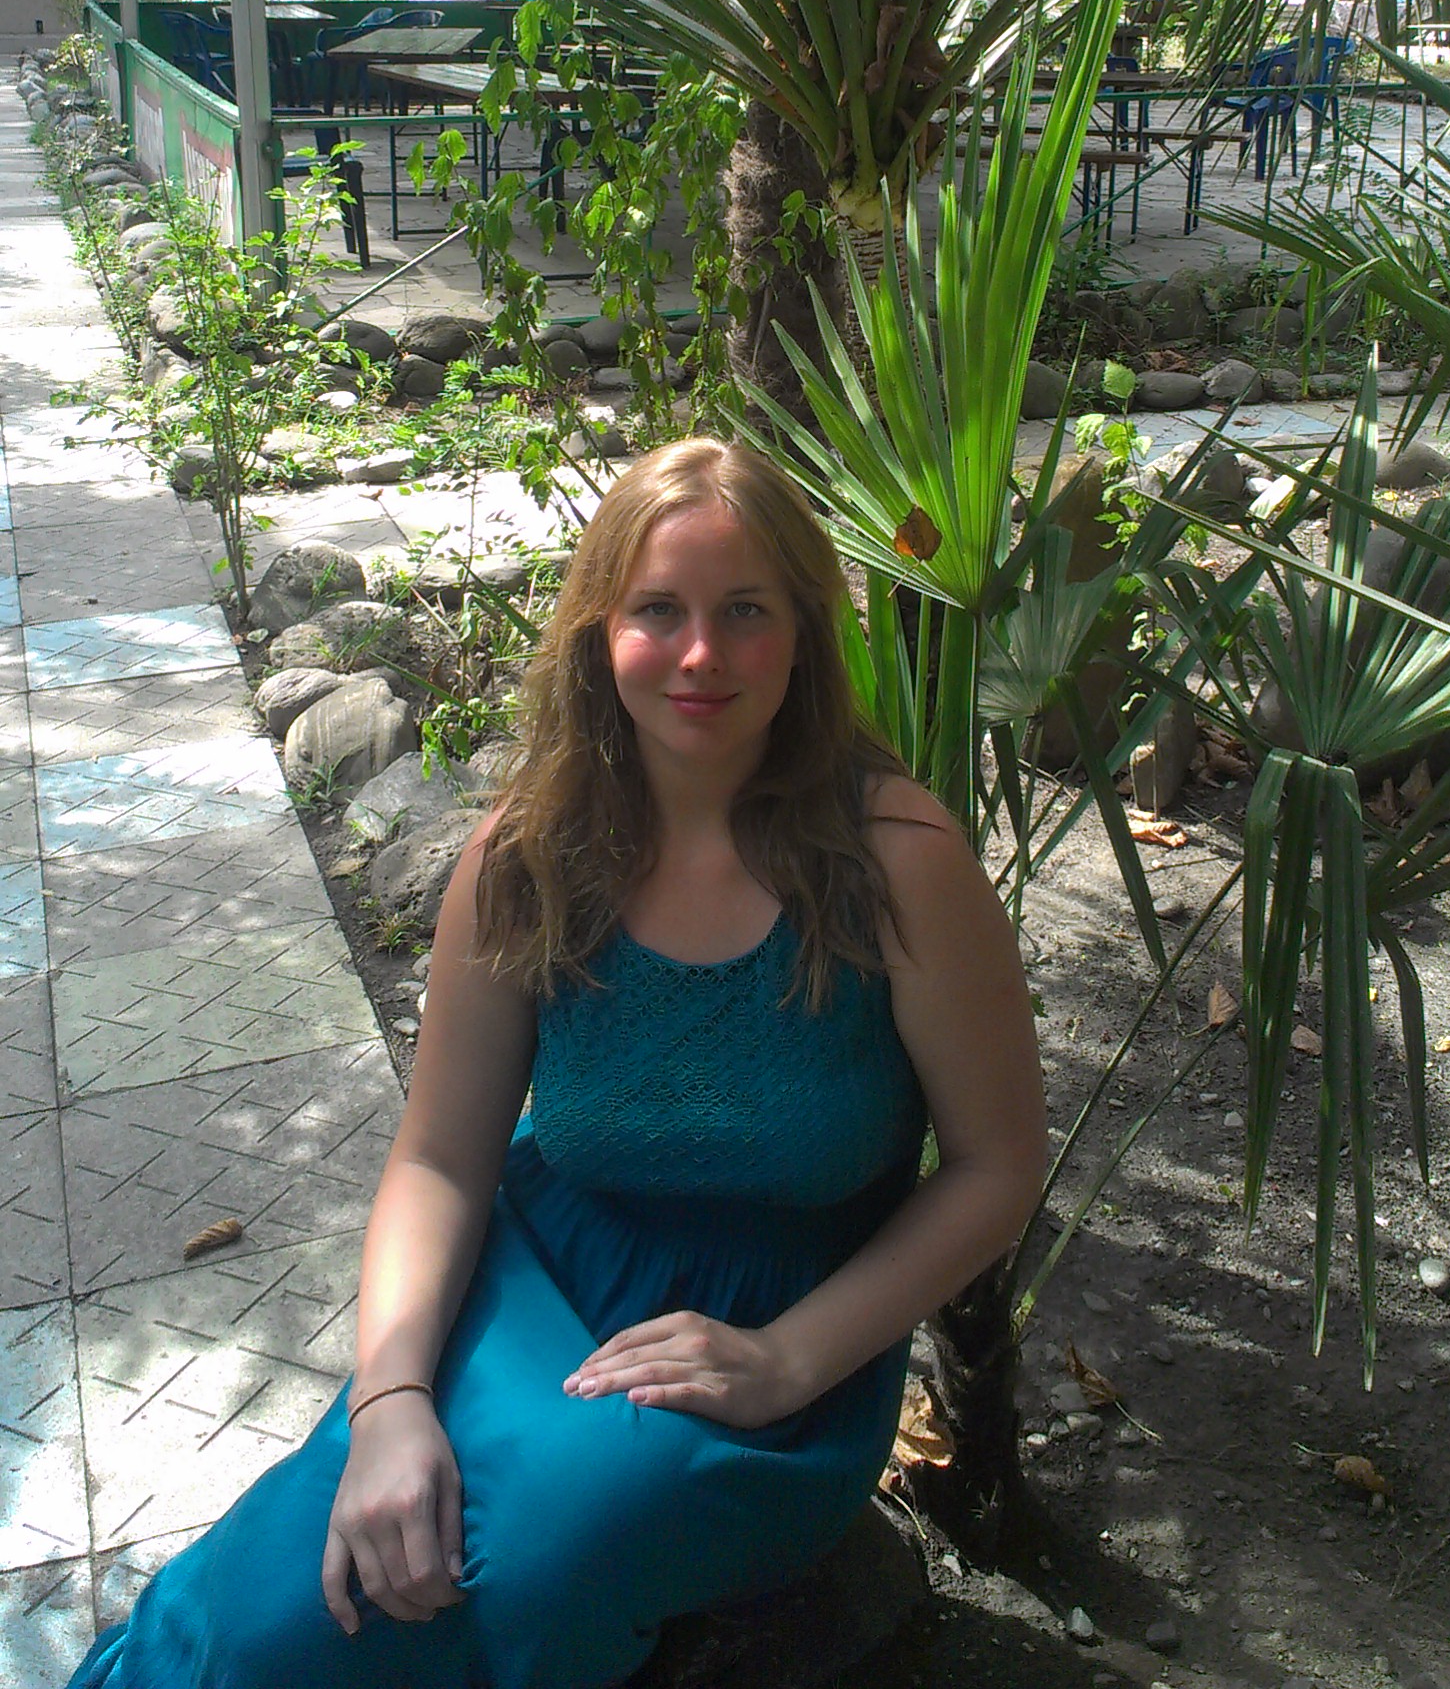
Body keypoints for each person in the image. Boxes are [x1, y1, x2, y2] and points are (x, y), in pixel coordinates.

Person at [69, 439, 1046, 1689]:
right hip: (537, 1277)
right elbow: (438, 1159)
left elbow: (995, 1165)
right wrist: (389, 1404)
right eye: (659, 611)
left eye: (746, 612)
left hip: (780, 1345)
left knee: (543, 1559)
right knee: (303, 1599)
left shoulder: (896, 861)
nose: (701, 654)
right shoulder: (528, 856)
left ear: (805, 631)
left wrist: (788, 1360)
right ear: (598, 632)